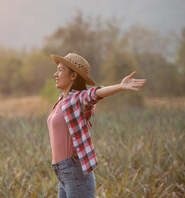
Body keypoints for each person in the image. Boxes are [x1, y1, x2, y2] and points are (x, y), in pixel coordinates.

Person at [47, 53, 146, 198]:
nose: (55, 74)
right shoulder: (61, 100)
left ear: (73, 76)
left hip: (75, 173)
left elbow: (94, 94)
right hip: (62, 174)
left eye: (60, 70)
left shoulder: (78, 99)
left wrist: (119, 86)